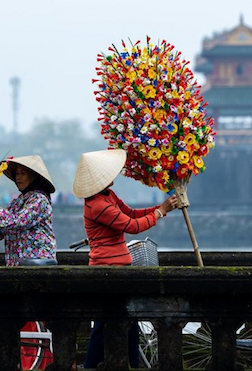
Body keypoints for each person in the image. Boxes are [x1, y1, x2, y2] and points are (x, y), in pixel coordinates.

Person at [72, 148, 178, 368]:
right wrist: (159, 213)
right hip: (106, 268)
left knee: (129, 320)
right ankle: (91, 365)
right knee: (104, 321)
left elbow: (130, 213)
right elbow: (132, 226)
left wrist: (161, 208)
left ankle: (131, 363)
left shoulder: (107, 196)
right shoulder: (97, 205)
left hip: (120, 266)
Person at [0, 155, 57, 266]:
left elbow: (18, 223)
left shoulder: (39, 199)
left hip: (37, 262)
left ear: (34, 177)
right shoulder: (17, 202)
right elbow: (1, 231)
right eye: (17, 174)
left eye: (23, 173)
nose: (18, 177)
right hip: (16, 263)